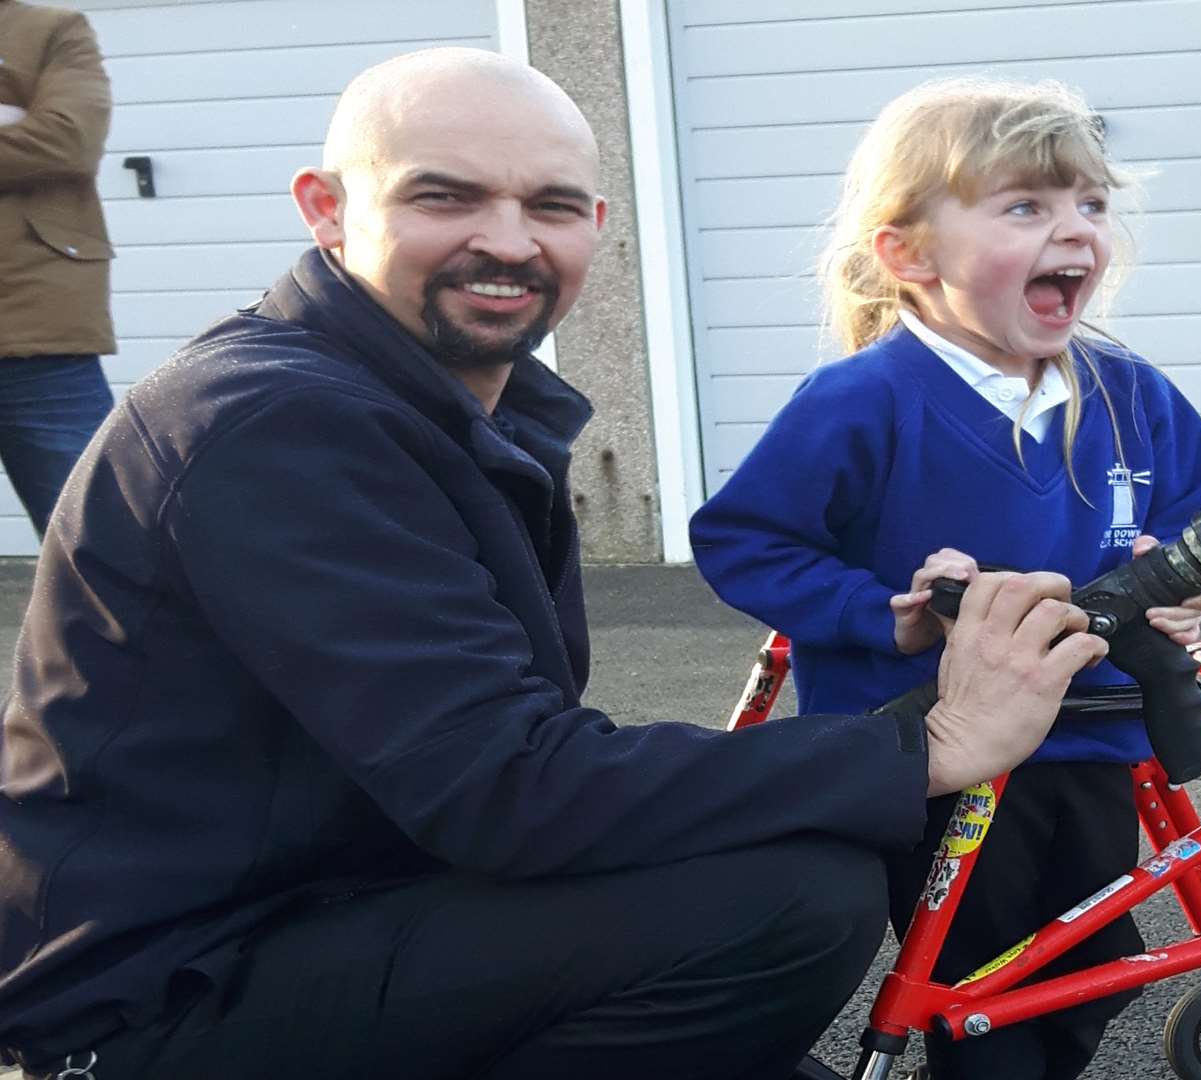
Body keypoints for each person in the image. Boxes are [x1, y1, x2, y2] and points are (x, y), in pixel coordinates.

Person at [0, 49, 1109, 1080]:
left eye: (550, 205)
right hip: (151, 1001)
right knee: (786, 900)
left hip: (327, 899)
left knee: (772, 869)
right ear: (328, 211)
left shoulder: (443, 404)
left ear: (597, 224)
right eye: (445, 197)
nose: (509, 241)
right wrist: (927, 746)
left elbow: (504, 770)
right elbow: (507, 786)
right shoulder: (272, 423)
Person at [689, 78, 1201, 1080]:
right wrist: (883, 616)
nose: (1073, 229)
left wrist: (1186, 571)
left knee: (1097, 959)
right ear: (909, 253)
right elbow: (746, 541)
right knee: (978, 981)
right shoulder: (861, 400)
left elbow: (1200, 504)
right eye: (1026, 205)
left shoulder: (1127, 390)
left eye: (1091, 205)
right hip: (939, 745)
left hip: (1091, 732)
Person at [0, 0, 118, 538]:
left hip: (37, 327)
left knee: (98, 536)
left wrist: (36, 133)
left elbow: (67, 141)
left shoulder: (49, 30)